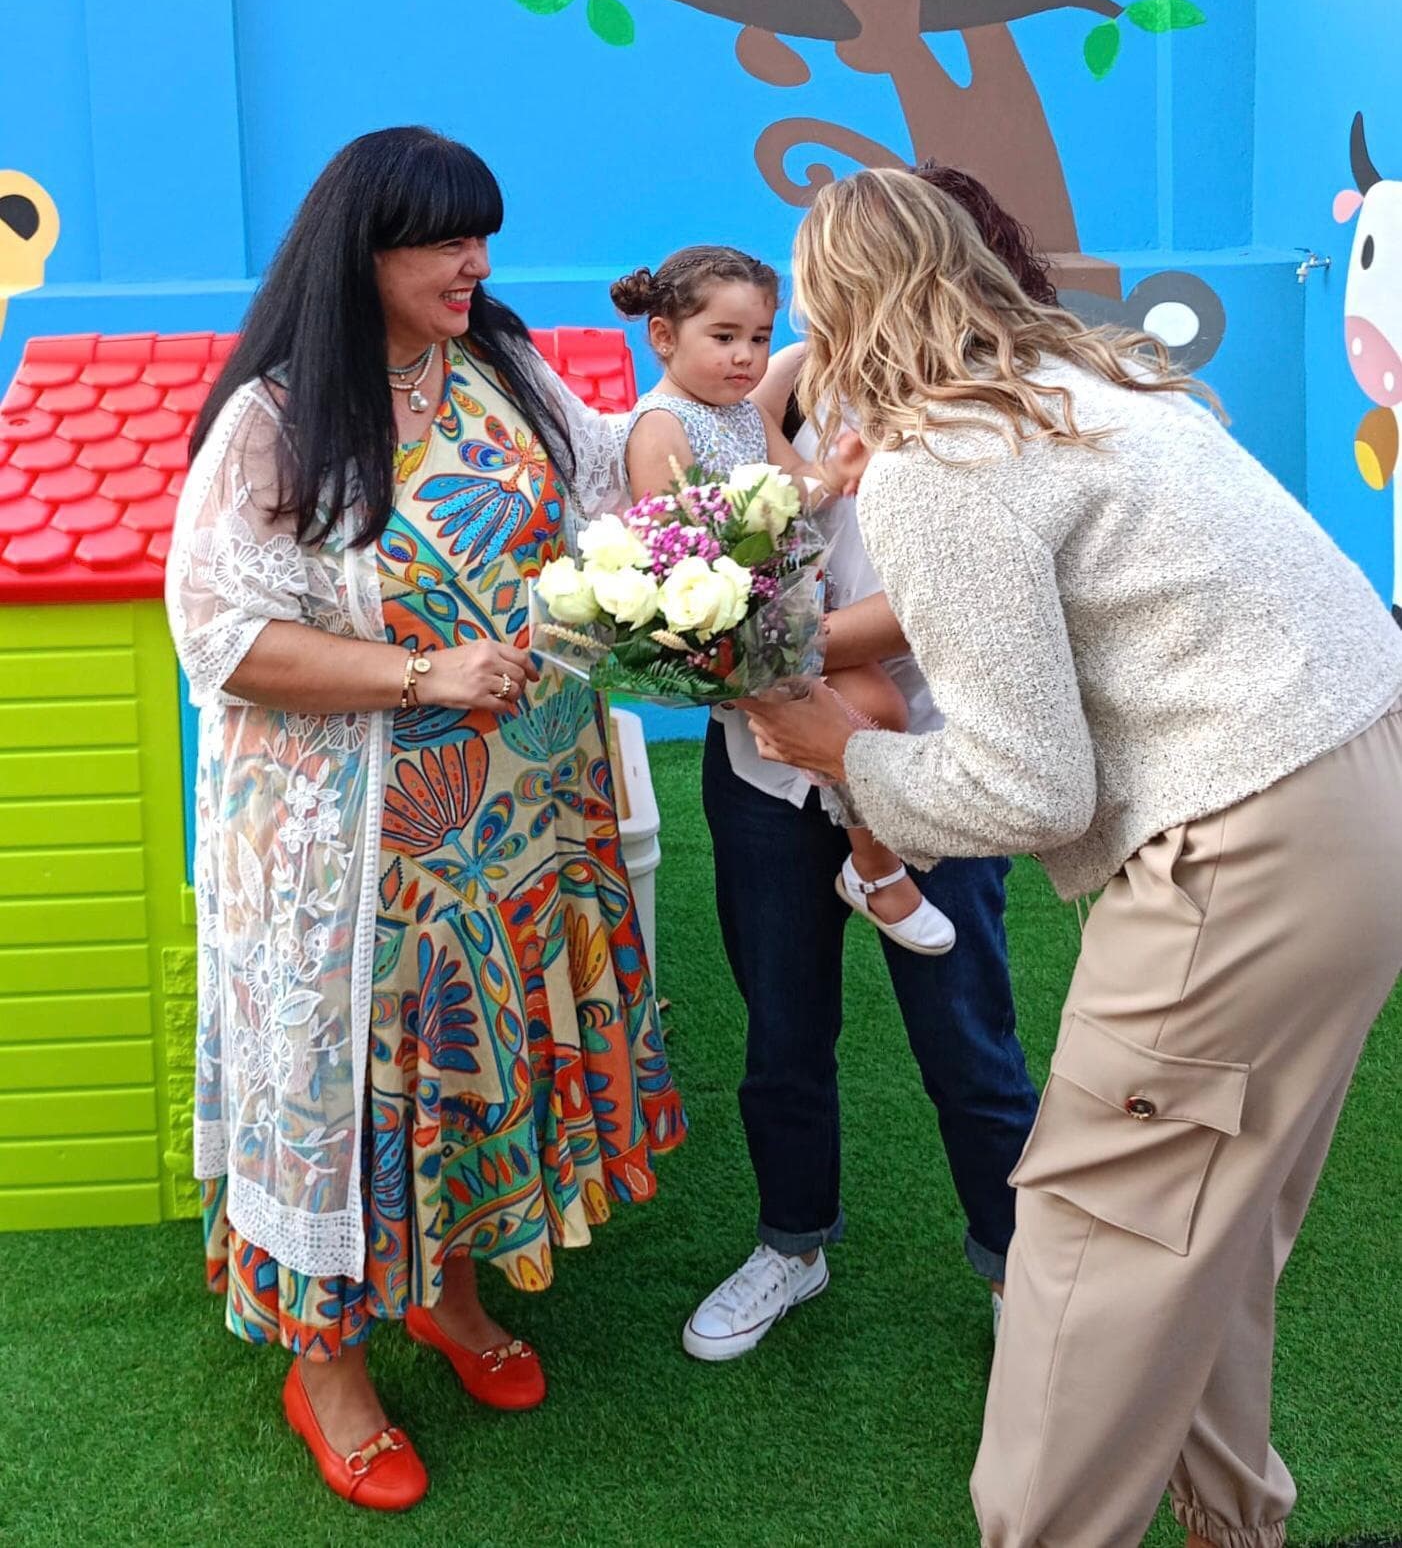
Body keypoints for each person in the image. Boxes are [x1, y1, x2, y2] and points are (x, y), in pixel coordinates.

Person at [743, 166, 1402, 1548]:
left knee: (1093, 1243)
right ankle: (1233, 1522)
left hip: (1247, 839)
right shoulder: (1093, 385)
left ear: (833, 314)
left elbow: (1027, 786)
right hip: (1356, 785)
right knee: (1202, 1224)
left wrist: (834, 754)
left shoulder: (942, 459)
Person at [167, 126, 685, 1511]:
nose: (474, 261)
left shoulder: (496, 365)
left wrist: (717, 425)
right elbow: (218, 638)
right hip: (359, 860)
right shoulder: (276, 420)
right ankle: (323, 1367)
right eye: (443, 240)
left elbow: (606, 460)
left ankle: (445, 1294)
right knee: (351, 1093)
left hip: (515, 829)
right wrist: (421, 673)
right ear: (363, 251)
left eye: (481, 235)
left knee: (460, 1072)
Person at [610, 233, 1039, 1359]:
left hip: (923, 761)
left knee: (967, 1042)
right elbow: (691, 519)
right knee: (781, 1030)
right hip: (762, 767)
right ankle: (790, 1244)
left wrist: (757, 647)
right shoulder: (773, 378)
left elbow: (931, 608)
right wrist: (719, 650)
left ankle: (1019, 1274)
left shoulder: (979, 420)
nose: (756, 345)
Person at [613, 245, 956, 957]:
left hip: (788, 606)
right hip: (731, 627)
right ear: (664, 337)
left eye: (760, 339)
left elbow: (794, 483)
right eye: (725, 338)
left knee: (883, 710)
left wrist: (834, 469)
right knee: (876, 711)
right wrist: (755, 547)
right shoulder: (661, 425)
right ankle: (875, 867)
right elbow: (671, 544)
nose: (745, 358)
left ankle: (870, 860)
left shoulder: (742, 413)